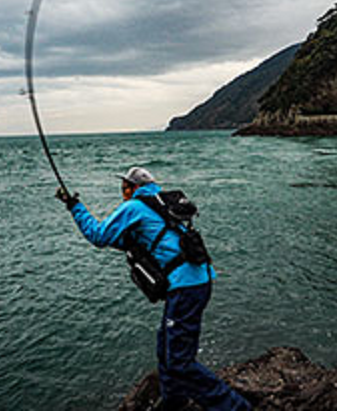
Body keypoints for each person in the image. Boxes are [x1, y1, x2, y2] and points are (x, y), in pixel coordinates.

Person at [56, 166, 251, 411]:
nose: (122, 192)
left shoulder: (134, 207)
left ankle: (236, 407)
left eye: (124, 187)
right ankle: (173, 402)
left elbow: (98, 236)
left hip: (185, 287)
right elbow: (127, 240)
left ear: (132, 188)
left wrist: (74, 206)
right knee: (165, 348)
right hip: (199, 280)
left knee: (180, 363)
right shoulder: (160, 203)